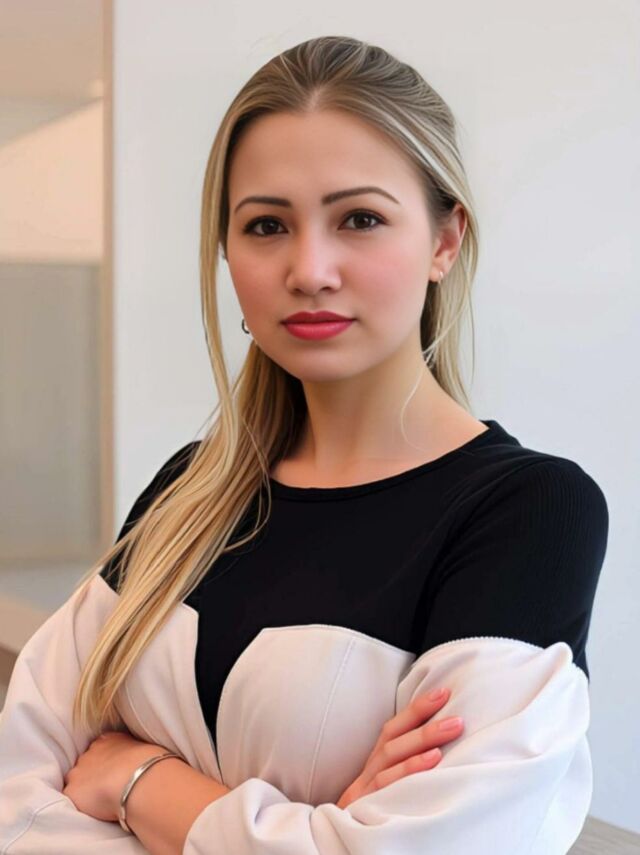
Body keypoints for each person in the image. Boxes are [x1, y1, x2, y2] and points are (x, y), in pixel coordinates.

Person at [0, 35, 609, 855]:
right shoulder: (189, 491)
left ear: (444, 241)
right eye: (266, 225)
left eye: (360, 218)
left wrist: (136, 777)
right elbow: (14, 792)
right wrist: (314, 830)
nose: (310, 268)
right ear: (227, 251)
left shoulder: (527, 512)